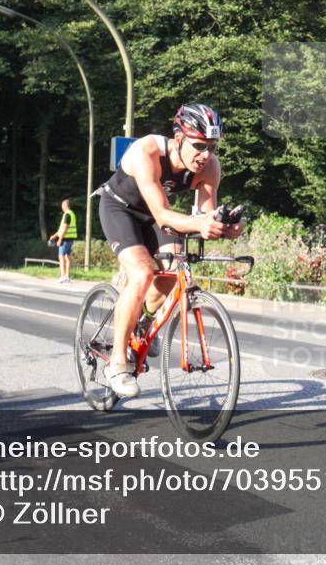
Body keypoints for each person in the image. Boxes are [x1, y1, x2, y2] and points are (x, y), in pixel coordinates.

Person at [97, 103, 243, 397]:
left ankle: (143, 324)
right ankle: (117, 363)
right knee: (141, 273)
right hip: (119, 209)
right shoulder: (146, 151)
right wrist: (200, 223)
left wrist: (224, 228)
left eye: (212, 147)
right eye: (199, 146)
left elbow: (204, 216)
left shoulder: (210, 168)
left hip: (153, 215)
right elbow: (164, 216)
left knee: (172, 274)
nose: (205, 156)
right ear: (178, 138)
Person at [49, 198, 78, 283]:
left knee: (61, 257)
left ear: (65, 205)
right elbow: (61, 229)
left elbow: (64, 228)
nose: (61, 207)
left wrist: (59, 239)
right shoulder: (71, 214)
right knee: (67, 257)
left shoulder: (67, 215)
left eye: (62, 205)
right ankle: (67, 276)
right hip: (71, 238)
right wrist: (54, 236)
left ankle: (62, 276)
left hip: (65, 239)